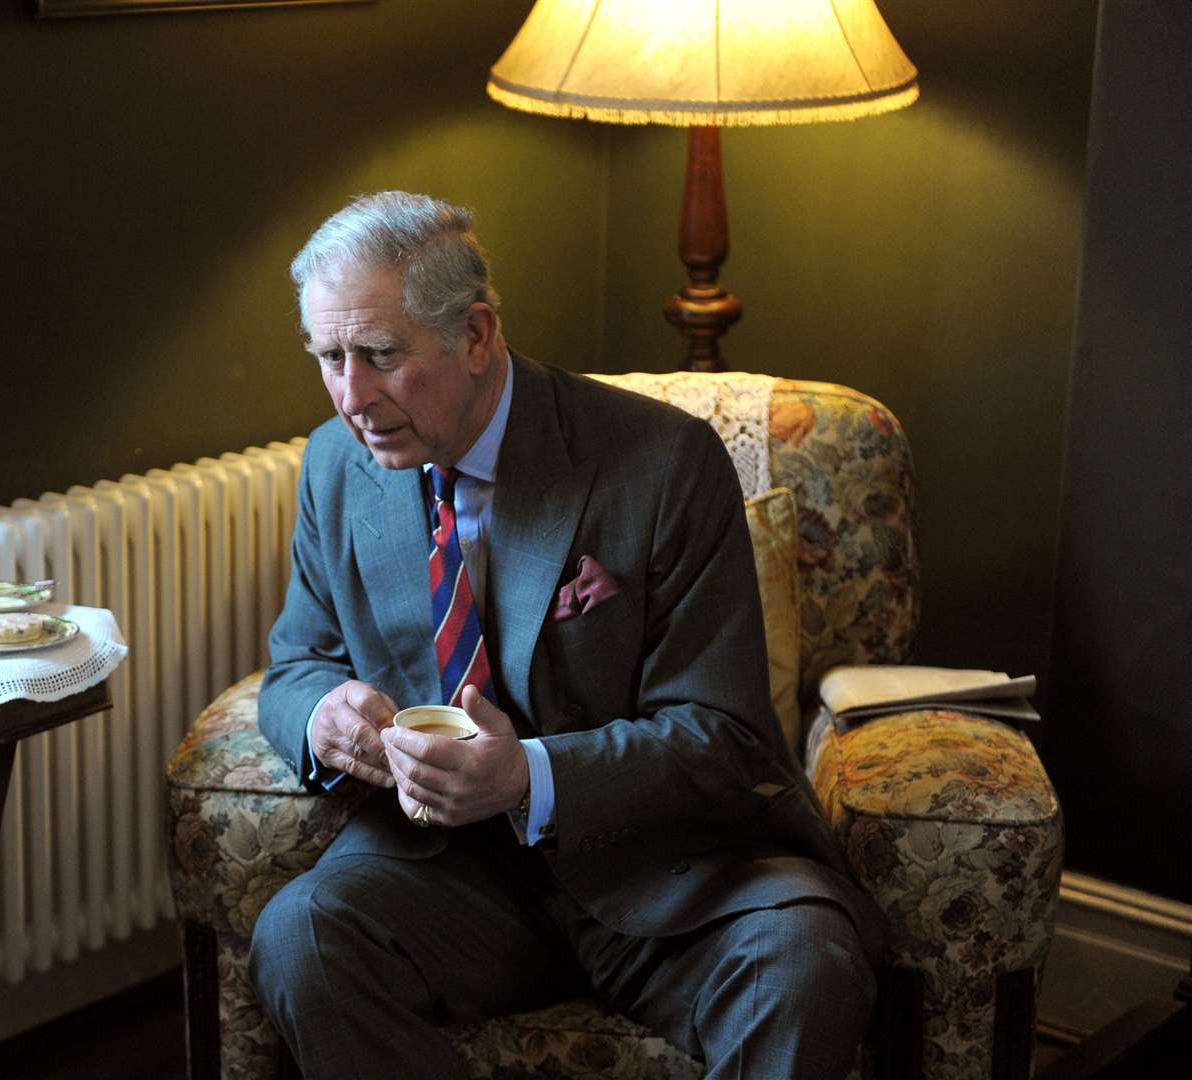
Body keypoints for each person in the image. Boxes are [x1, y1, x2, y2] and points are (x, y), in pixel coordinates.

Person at [249, 191, 884, 1079]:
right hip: (448, 873)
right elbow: (295, 666)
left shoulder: (663, 462)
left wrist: (525, 776)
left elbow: (727, 736)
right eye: (329, 357)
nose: (351, 395)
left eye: (381, 356)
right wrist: (322, 716)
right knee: (298, 939)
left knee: (805, 963)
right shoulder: (335, 464)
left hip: (668, 870)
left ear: (475, 335)